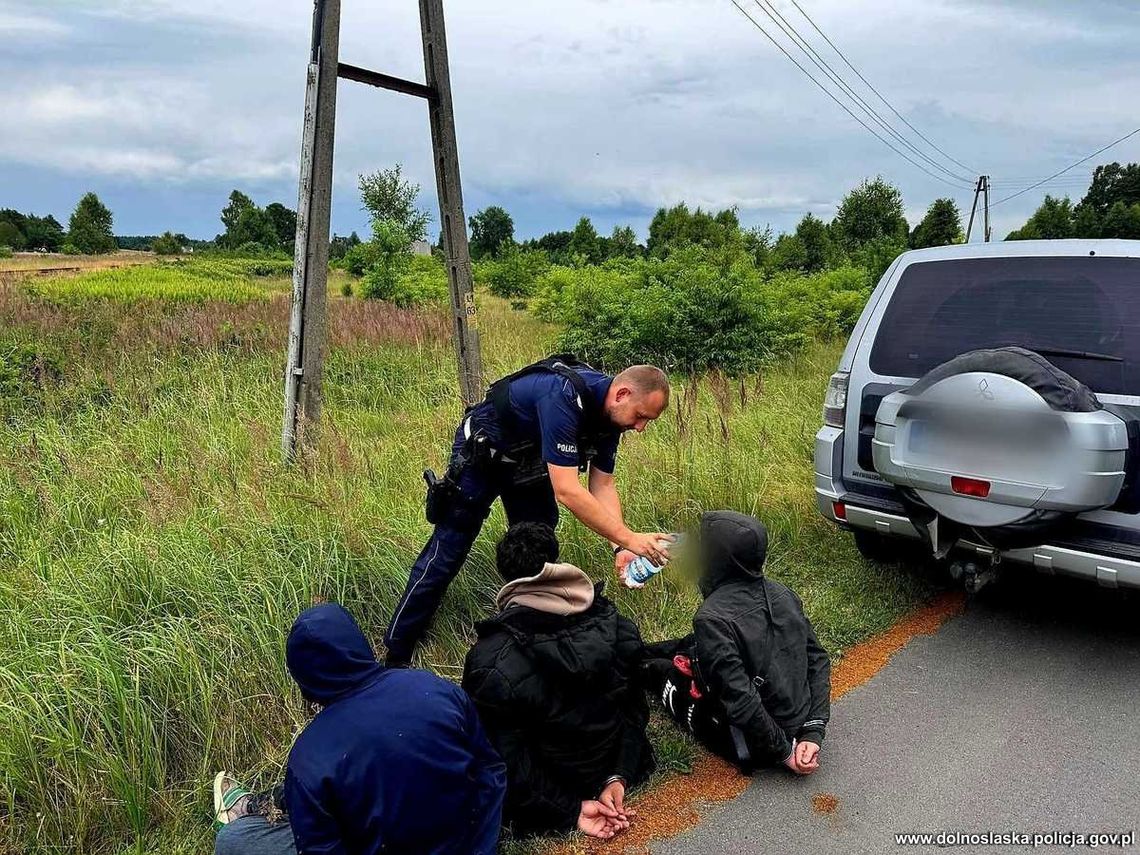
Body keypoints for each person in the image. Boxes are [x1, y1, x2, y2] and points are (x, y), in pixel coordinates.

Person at [384, 354, 674, 665]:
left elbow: (602, 486)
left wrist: (620, 547)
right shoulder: (563, 395)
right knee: (449, 547)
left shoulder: (611, 418)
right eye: (641, 416)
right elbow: (567, 490)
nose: (641, 428)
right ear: (622, 394)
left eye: (647, 421)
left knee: (537, 548)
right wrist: (631, 538)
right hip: (484, 453)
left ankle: (532, 639)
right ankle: (398, 649)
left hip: (530, 460)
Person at [212, 603, 506, 855]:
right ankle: (277, 802)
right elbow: (491, 770)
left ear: (304, 680)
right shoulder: (436, 687)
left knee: (235, 838)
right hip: (461, 840)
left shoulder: (309, 756)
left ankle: (256, 808)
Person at [462, 522, 655, 840]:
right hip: (615, 763)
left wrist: (570, 808)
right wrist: (618, 775)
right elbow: (634, 710)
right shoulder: (617, 625)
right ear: (554, 561)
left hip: (553, 789)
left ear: (505, 576)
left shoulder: (490, 661)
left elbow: (502, 760)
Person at [642, 511, 831, 776]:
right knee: (690, 645)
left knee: (660, 671)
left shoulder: (711, 618)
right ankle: (639, 649)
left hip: (756, 741)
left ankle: (635, 660)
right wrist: (813, 729)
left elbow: (740, 699)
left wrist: (786, 752)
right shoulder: (782, 593)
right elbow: (818, 658)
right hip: (796, 720)